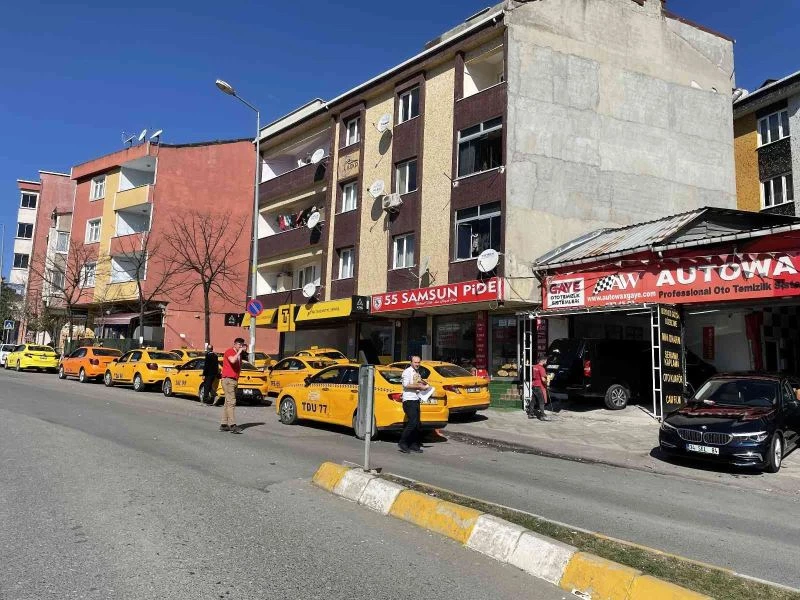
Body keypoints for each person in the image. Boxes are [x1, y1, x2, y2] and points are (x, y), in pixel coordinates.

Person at [399, 355, 430, 454]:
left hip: (416, 399)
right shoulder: (407, 372)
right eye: (415, 362)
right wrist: (420, 387)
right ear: (411, 362)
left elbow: (418, 382)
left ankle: (414, 444)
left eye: (418, 362)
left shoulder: (417, 372)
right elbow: (406, 384)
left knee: (417, 424)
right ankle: (402, 443)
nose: (417, 364)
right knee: (412, 422)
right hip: (409, 400)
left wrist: (425, 385)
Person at [219, 337, 246, 434]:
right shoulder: (229, 351)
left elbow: (238, 367)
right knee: (232, 402)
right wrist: (239, 352)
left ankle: (223, 424)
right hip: (228, 379)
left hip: (234, 380)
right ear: (234, 344)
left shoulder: (239, 355)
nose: (240, 346)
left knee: (227, 402)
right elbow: (232, 361)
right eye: (239, 344)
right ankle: (232, 425)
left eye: (242, 344)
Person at [527, 356, 550, 421]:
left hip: (534, 384)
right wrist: (547, 382)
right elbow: (543, 379)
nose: (546, 362)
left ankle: (530, 414)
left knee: (533, 400)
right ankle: (542, 416)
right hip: (539, 386)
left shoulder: (534, 367)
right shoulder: (542, 368)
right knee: (541, 401)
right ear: (543, 360)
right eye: (546, 360)